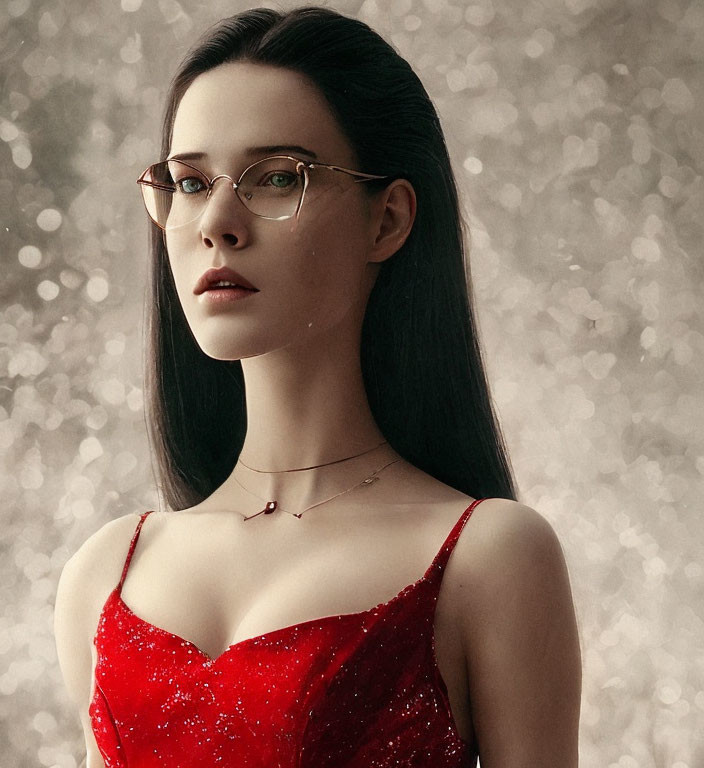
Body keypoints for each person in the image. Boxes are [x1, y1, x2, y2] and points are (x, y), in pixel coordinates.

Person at [54, 6, 582, 767]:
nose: (217, 223)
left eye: (276, 178)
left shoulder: (488, 558)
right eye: (190, 182)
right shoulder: (105, 575)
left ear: (388, 220)